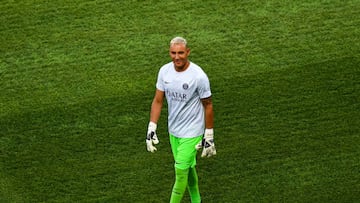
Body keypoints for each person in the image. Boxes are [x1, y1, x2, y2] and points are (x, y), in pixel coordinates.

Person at [146, 36, 216, 203]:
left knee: (180, 173)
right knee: (189, 171)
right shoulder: (164, 71)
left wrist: (209, 135)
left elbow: (208, 105)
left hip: (192, 133)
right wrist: (152, 127)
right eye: (173, 53)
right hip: (174, 131)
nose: (177, 57)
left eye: (181, 53)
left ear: (188, 52)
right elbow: (158, 100)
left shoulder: (198, 76)